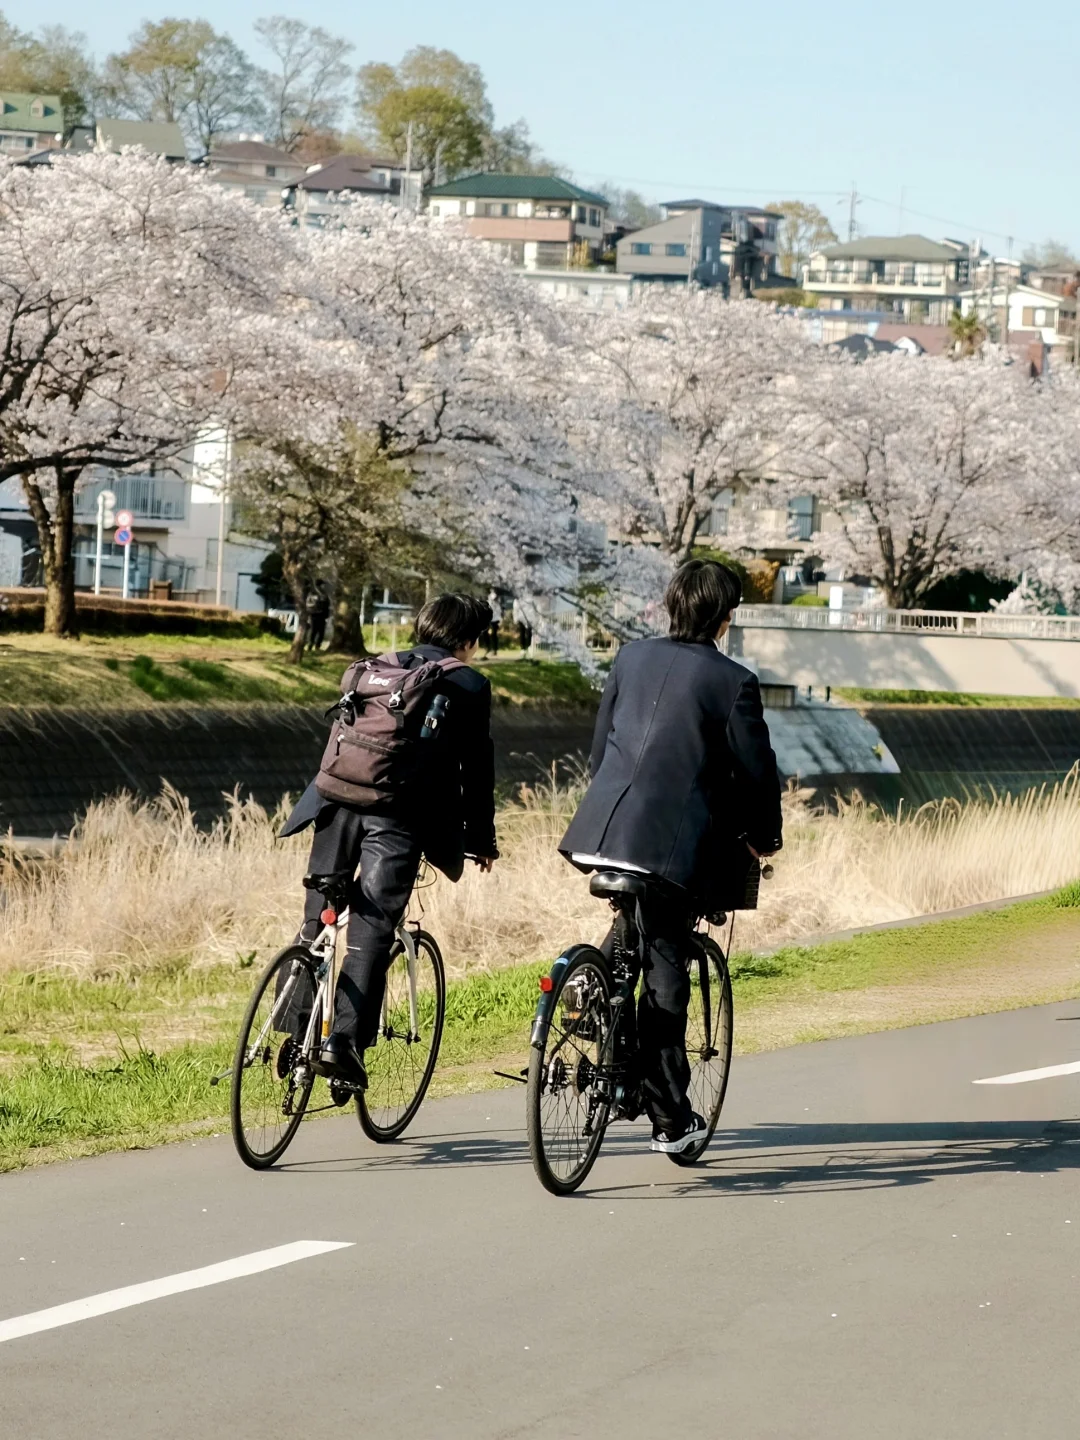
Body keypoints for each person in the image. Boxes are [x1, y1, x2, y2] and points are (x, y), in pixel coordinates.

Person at [559, 559, 782, 1154]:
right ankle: (671, 1118)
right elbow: (758, 774)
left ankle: (588, 984)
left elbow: (602, 738)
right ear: (725, 615)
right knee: (666, 972)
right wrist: (765, 837)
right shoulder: (732, 680)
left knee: (633, 928)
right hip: (670, 847)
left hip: (604, 826)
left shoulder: (630, 658)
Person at [280, 593, 499, 1088]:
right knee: (370, 933)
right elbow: (477, 771)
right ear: (468, 640)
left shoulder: (374, 668)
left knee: (316, 922)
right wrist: (481, 839)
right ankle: (342, 1044)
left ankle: (293, 1040)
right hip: (394, 819)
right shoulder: (467, 683)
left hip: (332, 802)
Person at [305, 584, 330, 650]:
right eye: (322, 585)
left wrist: (326, 616)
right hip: (314, 615)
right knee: (314, 631)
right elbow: (308, 604)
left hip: (322, 615)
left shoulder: (324, 594)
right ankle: (310, 645)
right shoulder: (312, 594)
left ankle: (317, 645)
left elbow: (327, 605)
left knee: (321, 632)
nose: (323, 586)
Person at [483, 589, 502, 657]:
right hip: (488, 618)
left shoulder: (495, 597)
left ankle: (495, 650)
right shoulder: (486, 598)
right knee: (485, 633)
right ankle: (488, 648)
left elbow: (498, 609)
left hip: (495, 618)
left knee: (494, 634)